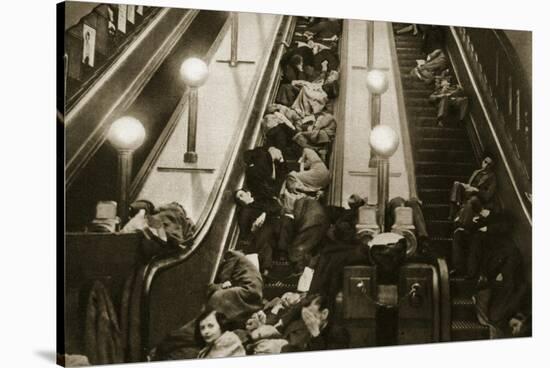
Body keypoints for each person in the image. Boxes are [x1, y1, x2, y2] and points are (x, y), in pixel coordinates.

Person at [234, 189, 294, 274]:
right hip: (263, 231)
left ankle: (282, 254)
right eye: (238, 199)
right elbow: (245, 233)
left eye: (241, 195)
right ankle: (268, 270)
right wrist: (253, 228)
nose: (240, 199)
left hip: (276, 223)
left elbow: (277, 207)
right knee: (265, 241)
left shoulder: (262, 199)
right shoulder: (244, 212)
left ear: (248, 193)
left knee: (286, 221)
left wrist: (265, 214)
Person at [449, 153, 498, 221]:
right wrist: (466, 185)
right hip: (468, 192)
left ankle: (458, 211)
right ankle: (452, 213)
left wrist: (476, 190)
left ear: (492, 166)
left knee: (472, 199)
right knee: (456, 184)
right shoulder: (476, 172)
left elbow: (488, 195)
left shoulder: (492, 177)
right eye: (485, 162)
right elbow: (470, 184)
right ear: (482, 161)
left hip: (477, 198)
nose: (486, 165)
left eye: (489, 164)